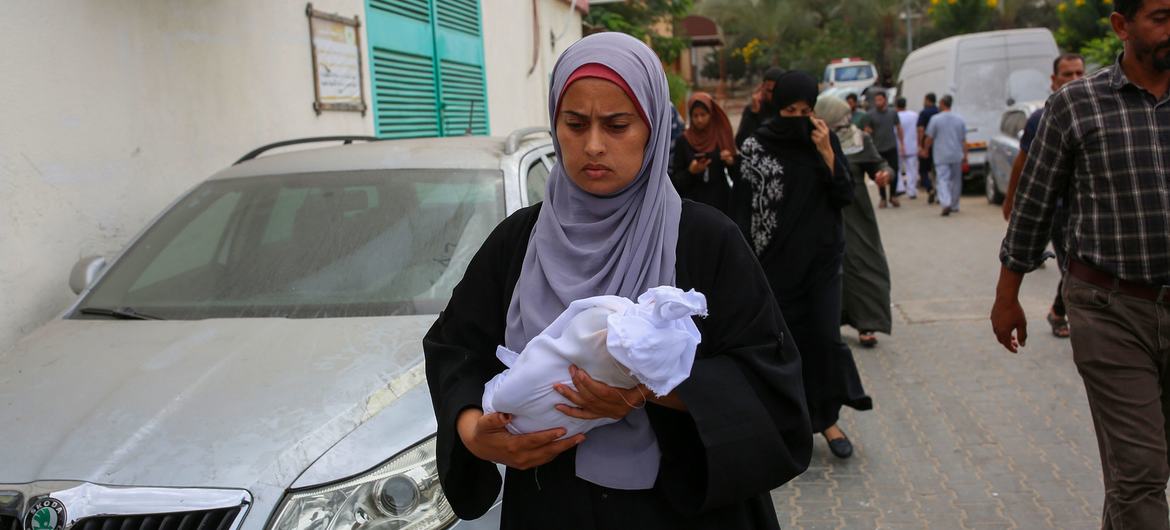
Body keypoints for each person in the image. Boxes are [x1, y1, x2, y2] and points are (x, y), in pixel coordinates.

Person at [423, 32, 812, 529]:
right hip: (550, 507)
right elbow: (455, 347)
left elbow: (770, 380)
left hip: (680, 510)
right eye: (575, 123)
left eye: (617, 125)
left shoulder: (704, 240)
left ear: (651, 128)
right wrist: (473, 431)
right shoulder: (518, 242)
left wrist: (653, 389)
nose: (593, 145)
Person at [991, 0, 1170, 526]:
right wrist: (1008, 297)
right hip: (1110, 309)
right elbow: (1033, 205)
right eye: (1160, 17)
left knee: (1138, 476)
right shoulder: (1077, 104)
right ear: (1121, 26)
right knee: (1140, 474)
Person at [740, 71, 873, 460]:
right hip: (774, 265)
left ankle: (827, 420)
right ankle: (788, 423)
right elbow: (744, 208)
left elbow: (845, 195)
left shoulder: (823, 139)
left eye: (805, 110)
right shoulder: (756, 146)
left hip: (822, 262)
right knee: (783, 346)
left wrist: (828, 155)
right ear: (775, 107)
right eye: (789, 110)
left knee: (825, 339)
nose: (798, 118)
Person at [1000, 53, 1087, 339]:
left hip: (1090, 210)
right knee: (1071, 269)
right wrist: (1011, 199)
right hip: (1059, 211)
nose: (1074, 79)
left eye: (1079, 73)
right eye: (1067, 74)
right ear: (1053, 80)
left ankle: (1058, 311)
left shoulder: (1097, 112)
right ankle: (1064, 314)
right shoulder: (1042, 118)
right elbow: (1022, 163)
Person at [815, 95, 894, 349]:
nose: (845, 124)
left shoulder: (859, 139)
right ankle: (830, 324)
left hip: (857, 218)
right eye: (839, 120)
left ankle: (867, 323)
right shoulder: (813, 140)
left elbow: (879, 163)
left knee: (865, 266)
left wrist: (885, 174)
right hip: (823, 216)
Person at [670, 92, 738, 216]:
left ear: (710, 115)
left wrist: (730, 162)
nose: (699, 120)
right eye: (695, 115)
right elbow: (675, 182)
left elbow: (736, 176)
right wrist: (691, 172)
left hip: (720, 204)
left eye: (703, 114)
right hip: (693, 207)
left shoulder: (719, 138)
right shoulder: (683, 140)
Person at [923, 95, 967, 216]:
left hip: (941, 155)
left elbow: (929, 138)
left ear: (942, 103)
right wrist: (965, 155)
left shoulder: (935, 119)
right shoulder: (960, 119)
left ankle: (946, 202)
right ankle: (954, 205)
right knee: (956, 180)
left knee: (942, 179)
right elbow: (963, 140)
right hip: (957, 154)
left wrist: (925, 150)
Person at [866, 90, 905, 208]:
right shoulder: (870, 114)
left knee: (894, 171)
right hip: (878, 149)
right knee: (880, 173)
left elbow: (899, 128)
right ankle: (883, 197)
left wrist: (902, 144)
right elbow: (867, 130)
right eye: (876, 100)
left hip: (891, 147)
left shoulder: (893, 113)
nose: (877, 102)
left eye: (880, 100)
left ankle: (893, 196)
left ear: (885, 100)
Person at [735, 67, 786, 147]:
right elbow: (741, 144)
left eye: (778, 91)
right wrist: (753, 114)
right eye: (770, 91)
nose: (774, 95)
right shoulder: (753, 109)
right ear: (762, 87)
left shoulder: (790, 110)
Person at [895, 97, 920, 199]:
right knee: (912, 169)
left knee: (898, 168)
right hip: (912, 146)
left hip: (898, 145)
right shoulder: (914, 115)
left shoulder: (895, 116)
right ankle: (912, 191)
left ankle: (900, 188)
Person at [916, 92, 940, 203]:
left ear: (927, 100)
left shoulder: (924, 113)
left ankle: (930, 188)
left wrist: (920, 145)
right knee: (939, 171)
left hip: (927, 144)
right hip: (939, 145)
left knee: (923, 170)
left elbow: (920, 130)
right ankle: (940, 192)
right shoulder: (939, 111)